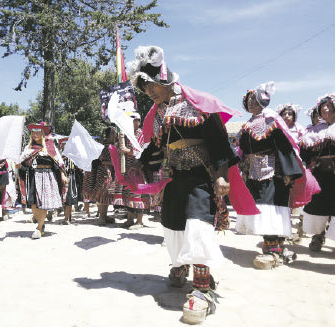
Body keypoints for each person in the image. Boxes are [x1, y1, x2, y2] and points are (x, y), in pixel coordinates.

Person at [127, 45, 242, 320]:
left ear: (164, 79)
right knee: (173, 225)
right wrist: (139, 163)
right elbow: (157, 149)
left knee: (198, 228)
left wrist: (222, 174)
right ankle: (180, 265)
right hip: (174, 177)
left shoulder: (196, 103)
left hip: (201, 176)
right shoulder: (156, 115)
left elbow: (217, 140)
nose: (150, 93)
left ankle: (203, 288)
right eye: (145, 90)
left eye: (152, 86)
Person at [235, 82, 303, 267]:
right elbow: (242, 150)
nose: (250, 102)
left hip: (273, 171)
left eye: (253, 99)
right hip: (253, 171)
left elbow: (283, 145)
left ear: (261, 100)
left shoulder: (272, 119)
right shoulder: (247, 125)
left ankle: (272, 249)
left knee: (270, 207)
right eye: (247, 100)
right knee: (260, 206)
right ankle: (275, 247)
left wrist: (286, 172)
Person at [18, 121, 67, 239]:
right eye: (33, 133)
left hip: (48, 177)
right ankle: (41, 223)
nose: (34, 135)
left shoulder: (50, 146)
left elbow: (58, 162)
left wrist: (62, 174)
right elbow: (24, 165)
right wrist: (20, 166)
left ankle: (39, 228)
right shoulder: (28, 148)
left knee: (43, 204)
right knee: (33, 204)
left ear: (43, 134)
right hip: (33, 177)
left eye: (37, 132)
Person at [300, 94, 335, 251]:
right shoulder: (315, 131)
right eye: (322, 108)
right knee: (319, 207)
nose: (325, 109)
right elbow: (305, 153)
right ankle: (318, 236)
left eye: (328, 106)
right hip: (320, 174)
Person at [119, 112, 150, 230]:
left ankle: (140, 221)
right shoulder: (126, 134)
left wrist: (126, 150)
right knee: (128, 193)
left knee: (138, 193)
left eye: (133, 120)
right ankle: (130, 219)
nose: (131, 123)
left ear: (138, 121)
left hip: (138, 167)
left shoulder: (141, 134)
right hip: (127, 168)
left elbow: (140, 151)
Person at [92, 126, 118, 226]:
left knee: (107, 195)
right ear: (109, 134)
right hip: (105, 171)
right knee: (104, 194)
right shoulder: (105, 145)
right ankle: (102, 217)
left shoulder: (111, 144)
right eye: (113, 133)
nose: (115, 135)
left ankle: (104, 215)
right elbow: (101, 158)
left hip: (109, 170)